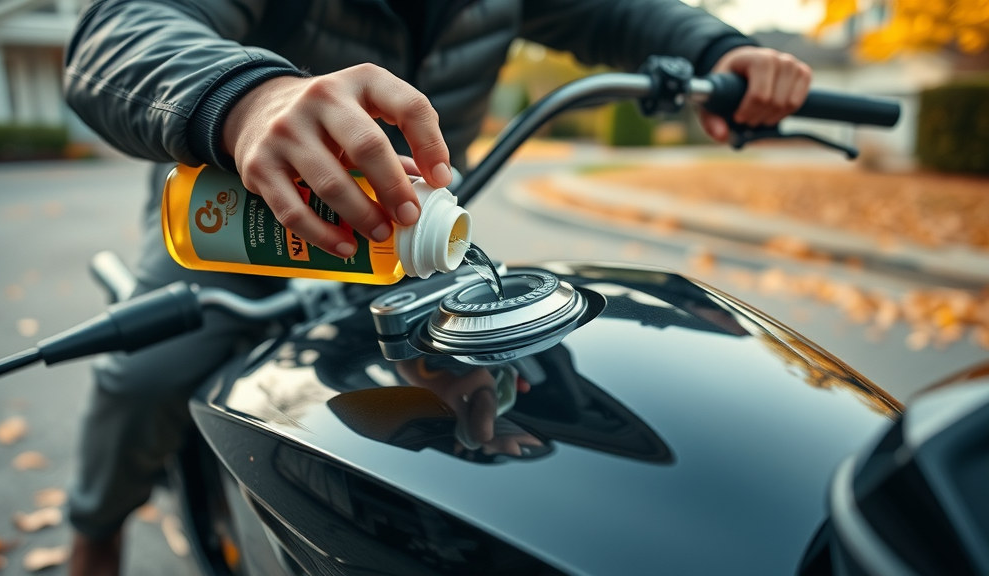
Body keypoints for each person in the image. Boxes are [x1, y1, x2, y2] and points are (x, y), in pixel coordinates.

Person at [62, 0, 811, 573]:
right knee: (144, 376)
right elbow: (116, 30)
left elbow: (614, 11)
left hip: (412, 227)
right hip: (239, 215)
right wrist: (247, 98)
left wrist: (715, 50)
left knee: (493, 373)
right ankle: (96, 530)